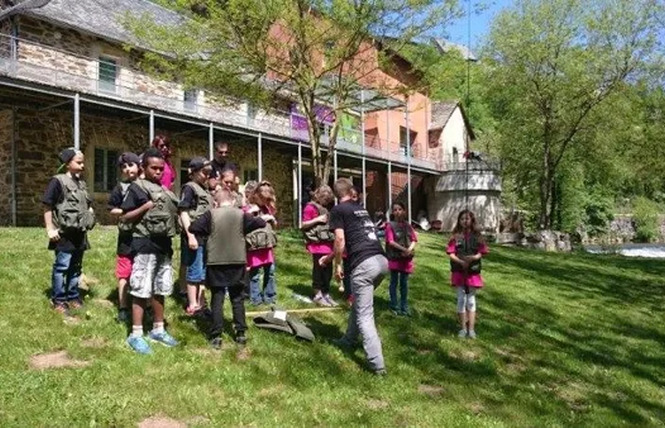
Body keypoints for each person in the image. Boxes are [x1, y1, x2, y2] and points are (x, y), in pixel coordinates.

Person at [188, 188, 267, 349]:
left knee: (217, 298)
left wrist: (207, 233)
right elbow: (261, 223)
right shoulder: (240, 215)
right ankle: (240, 333)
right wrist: (252, 216)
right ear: (232, 201)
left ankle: (216, 335)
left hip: (215, 262)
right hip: (237, 261)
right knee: (237, 298)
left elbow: (193, 228)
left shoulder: (210, 214)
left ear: (215, 202)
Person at [121, 148, 179, 354]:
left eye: (161, 168)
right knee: (140, 287)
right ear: (144, 168)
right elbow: (125, 216)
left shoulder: (165, 190)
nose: (158, 171)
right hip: (144, 243)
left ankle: (158, 329)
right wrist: (145, 207)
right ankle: (135, 334)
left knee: (161, 288)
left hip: (164, 244)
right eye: (154, 168)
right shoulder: (137, 188)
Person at [327, 177, 388, 375]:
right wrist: (331, 258)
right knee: (361, 303)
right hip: (381, 261)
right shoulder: (360, 208)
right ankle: (348, 340)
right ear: (350, 191)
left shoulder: (338, 210)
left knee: (365, 316)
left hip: (363, 266)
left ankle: (376, 364)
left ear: (336, 194)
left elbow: (339, 239)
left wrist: (337, 265)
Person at [42, 148, 95, 315]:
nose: (82, 165)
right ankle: (58, 299)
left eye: (83, 162)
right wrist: (50, 229)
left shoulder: (82, 184)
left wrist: (90, 213)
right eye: (78, 162)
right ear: (67, 163)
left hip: (80, 234)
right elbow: (47, 205)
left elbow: (87, 204)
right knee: (62, 267)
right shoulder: (57, 182)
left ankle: (73, 297)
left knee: (76, 267)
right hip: (63, 235)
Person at [178, 157, 214, 316]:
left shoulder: (204, 190)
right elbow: (183, 212)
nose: (207, 176)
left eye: (209, 173)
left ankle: (201, 302)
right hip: (195, 235)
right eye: (204, 172)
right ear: (193, 172)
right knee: (194, 270)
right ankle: (193, 305)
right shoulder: (189, 188)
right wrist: (190, 235)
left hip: (206, 236)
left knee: (203, 271)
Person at [108, 152, 141, 323]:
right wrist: (126, 211)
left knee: (143, 271)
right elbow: (111, 209)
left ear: (138, 166)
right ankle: (123, 306)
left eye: (131, 165)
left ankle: (146, 305)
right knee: (124, 273)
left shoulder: (146, 185)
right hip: (126, 237)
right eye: (124, 167)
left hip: (144, 236)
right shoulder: (120, 188)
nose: (128, 169)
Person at [446, 210, 489, 339]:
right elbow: (451, 253)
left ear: (472, 221)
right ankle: (463, 329)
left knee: (471, 300)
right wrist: (460, 261)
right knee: (461, 299)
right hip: (459, 272)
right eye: (462, 219)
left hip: (472, 273)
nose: (465, 221)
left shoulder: (477, 236)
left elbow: (482, 252)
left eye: (467, 219)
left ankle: (471, 329)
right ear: (459, 221)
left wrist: (473, 258)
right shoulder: (455, 237)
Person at [300, 185, 337, 306]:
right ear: (318, 196)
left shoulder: (327, 208)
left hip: (328, 244)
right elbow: (303, 225)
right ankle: (317, 294)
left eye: (328, 200)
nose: (326, 202)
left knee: (328, 271)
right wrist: (317, 219)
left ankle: (326, 293)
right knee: (319, 270)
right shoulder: (310, 207)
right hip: (316, 245)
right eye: (324, 199)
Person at [246, 180, 278, 306]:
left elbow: (273, 226)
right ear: (256, 196)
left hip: (267, 247)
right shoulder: (250, 208)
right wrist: (253, 215)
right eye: (263, 199)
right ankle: (255, 298)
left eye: (267, 200)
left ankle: (269, 297)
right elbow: (243, 223)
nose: (265, 202)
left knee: (270, 272)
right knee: (254, 275)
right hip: (255, 247)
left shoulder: (267, 209)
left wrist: (273, 220)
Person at [384, 202, 417, 316]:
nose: (397, 211)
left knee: (404, 283)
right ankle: (394, 305)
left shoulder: (408, 226)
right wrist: (403, 249)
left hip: (406, 260)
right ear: (392, 212)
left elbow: (413, 239)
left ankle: (404, 305)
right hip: (395, 258)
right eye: (395, 210)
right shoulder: (390, 226)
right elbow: (391, 242)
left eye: (400, 209)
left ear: (404, 211)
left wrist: (409, 250)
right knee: (394, 282)